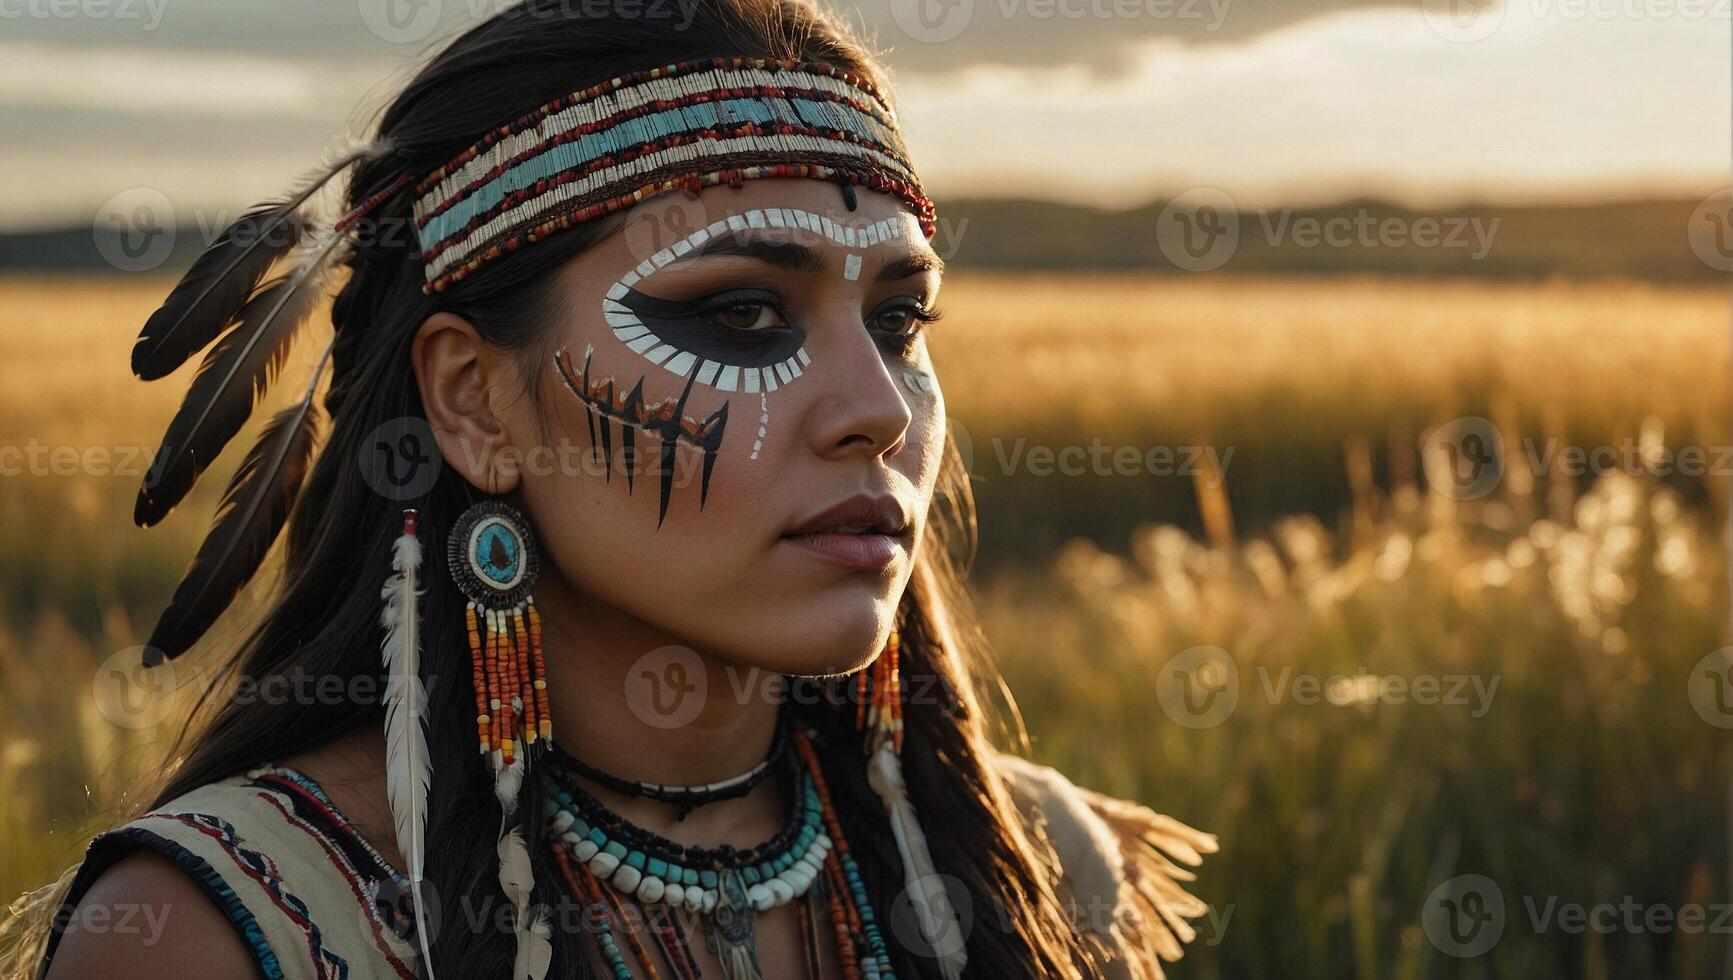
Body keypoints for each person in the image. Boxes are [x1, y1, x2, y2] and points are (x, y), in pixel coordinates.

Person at [23, 0, 1216, 976]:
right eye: (740, 313)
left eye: (900, 320)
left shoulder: (1035, 864)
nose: (880, 409)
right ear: (476, 403)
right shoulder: (233, 927)